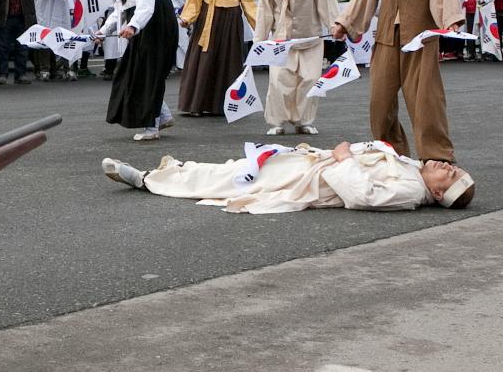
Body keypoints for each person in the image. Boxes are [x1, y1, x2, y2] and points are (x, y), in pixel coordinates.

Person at [331, 0, 465, 163]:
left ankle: (436, 157)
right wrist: (345, 23)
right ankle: (392, 154)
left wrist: (450, 19)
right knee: (379, 102)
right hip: (386, 36)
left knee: (426, 100)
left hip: (421, 37)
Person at [101, 139, 474, 213]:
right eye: (451, 166)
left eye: (450, 174)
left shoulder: (410, 192)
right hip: (314, 163)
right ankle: (169, 172)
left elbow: (363, 196)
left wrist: (344, 158)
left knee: (230, 181)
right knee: (236, 169)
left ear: (439, 195)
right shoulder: (412, 170)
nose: (446, 165)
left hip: (315, 180)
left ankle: (147, 179)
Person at [254, 0, 339, 136]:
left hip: (310, 34)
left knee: (309, 79)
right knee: (279, 81)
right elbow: (264, 7)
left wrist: (336, 24)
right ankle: (277, 121)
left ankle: (304, 120)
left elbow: (326, 0)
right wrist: (260, 37)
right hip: (281, 37)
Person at [101, 0, 179, 141]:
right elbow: (120, 8)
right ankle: (163, 116)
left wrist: (133, 26)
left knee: (147, 74)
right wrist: (102, 31)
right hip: (144, 24)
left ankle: (151, 127)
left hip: (156, 24)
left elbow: (146, 7)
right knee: (132, 72)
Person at [177, 0, 256, 116]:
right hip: (208, 22)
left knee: (227, 62)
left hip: (231, 26)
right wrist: (187, 18)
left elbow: (250, 6)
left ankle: (222, 105)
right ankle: (195, 105)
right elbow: (194, 1)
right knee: (202, 62)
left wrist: (261, 27)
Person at [32, 0, 75, 81]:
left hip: (61, 12)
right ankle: (45, 70)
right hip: (46, 12)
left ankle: (66, 69)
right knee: (46, 40)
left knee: (64, 40)